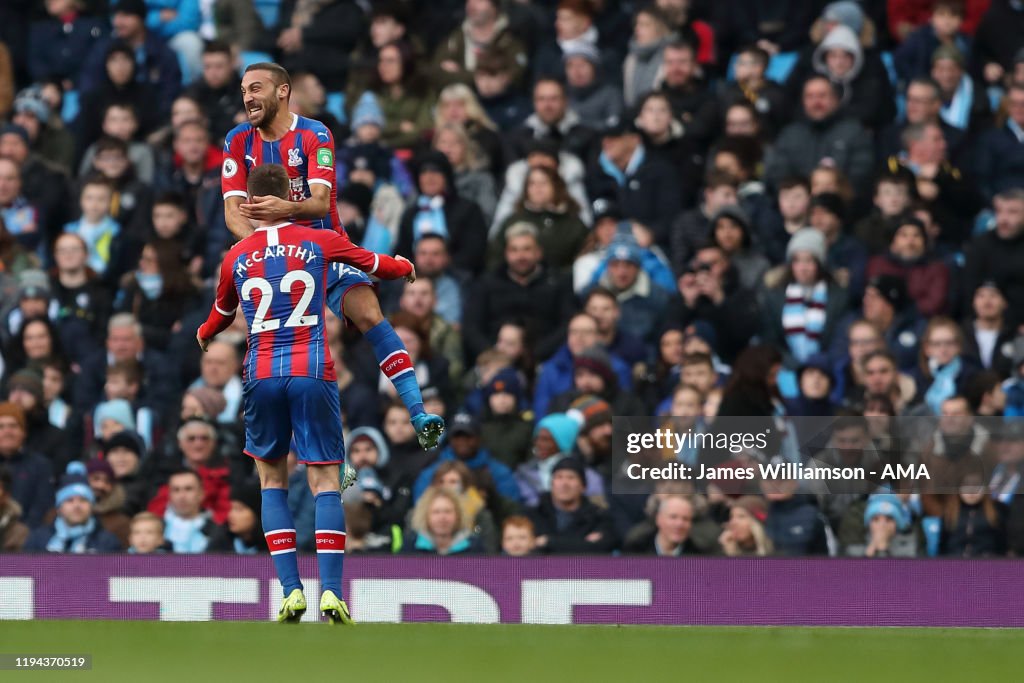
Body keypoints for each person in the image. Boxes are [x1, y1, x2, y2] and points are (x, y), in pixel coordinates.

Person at [198, 163, 416, 625]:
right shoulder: (317, 241)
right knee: (325, 483)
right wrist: (405, 266)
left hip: (260, 373)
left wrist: (204, 332)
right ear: (291, 196)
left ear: (251, 205)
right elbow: (377, 265)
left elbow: (220, 312)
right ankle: (332, 594)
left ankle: (291, 592)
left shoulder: (236, 256)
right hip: (311, 368)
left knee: (272, 481)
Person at [221, 62, 444, 449]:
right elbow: (232, 212)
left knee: (371, 314)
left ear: (283, 91)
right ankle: (325, 456)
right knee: (294, 358)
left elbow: (321, 204)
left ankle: (418, 411)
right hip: (278, 258)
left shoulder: (315, 133)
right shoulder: (237, 141)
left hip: (326, 245)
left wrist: (282, 214)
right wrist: (266, 245)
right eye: (243, 90)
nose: (248, 97)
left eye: (256, 88)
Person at [24, 461, 122, 553]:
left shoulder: (108, 542)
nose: (77, 506)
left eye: (83, 500)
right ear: (59, 508)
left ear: (92, 507)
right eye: (69, 500)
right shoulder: (37, 540)